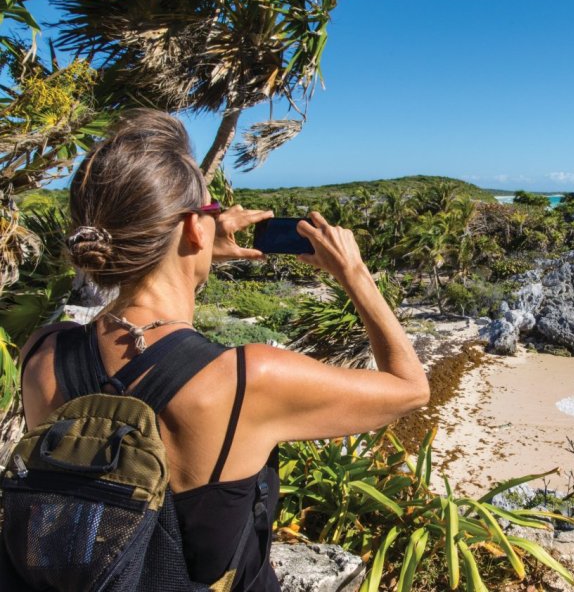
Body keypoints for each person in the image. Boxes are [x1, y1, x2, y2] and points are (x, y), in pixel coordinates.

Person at [16, 109, 430, 590]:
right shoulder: (246, 379)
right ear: (194, 228)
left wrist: (194, 245)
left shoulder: (45, 352)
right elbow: (409, 388)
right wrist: (354, 273)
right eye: (212, 214)